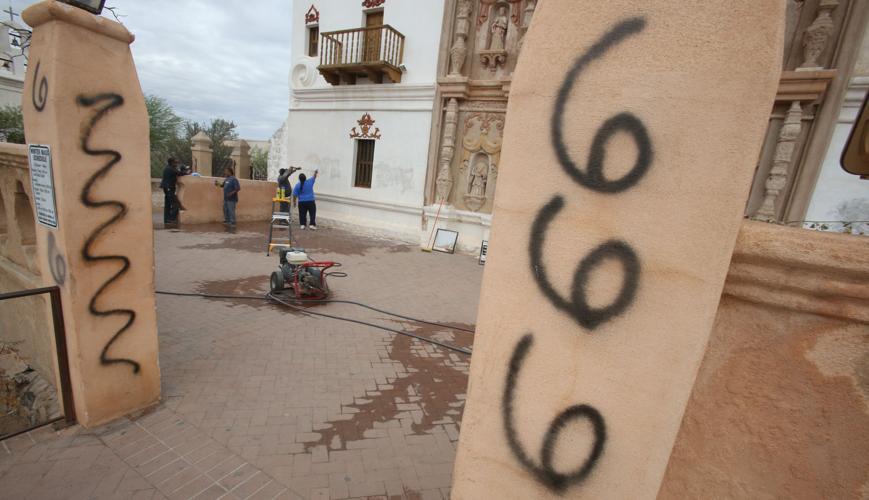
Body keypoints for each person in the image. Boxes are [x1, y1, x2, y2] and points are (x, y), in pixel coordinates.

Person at [159, 157, 187, 224]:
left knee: (168, 204)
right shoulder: (170, 169)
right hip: (169, 188)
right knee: (176, 204)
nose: (177, 164)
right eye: (175, 162)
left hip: (167, 187)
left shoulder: (169, 168)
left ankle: (167, 220)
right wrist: (187, 172)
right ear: (171, 163)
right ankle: (171, 219)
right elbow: (180, 173)